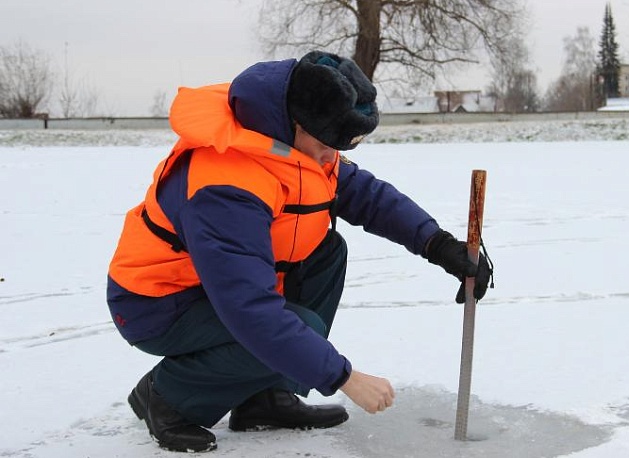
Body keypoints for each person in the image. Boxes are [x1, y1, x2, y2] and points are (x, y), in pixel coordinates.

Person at [106, 50, 492, 453]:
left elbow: (369, 198)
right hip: (157, 301)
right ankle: (166, 396)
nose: (333, 158)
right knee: (297, 328)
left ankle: (266, 397)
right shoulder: (225, 185)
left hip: (213, 286)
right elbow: (250, 311)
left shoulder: (294, 144)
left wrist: (439, 245)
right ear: (296, 123)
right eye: (328, 145)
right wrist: (343, 377)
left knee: (327, 251)